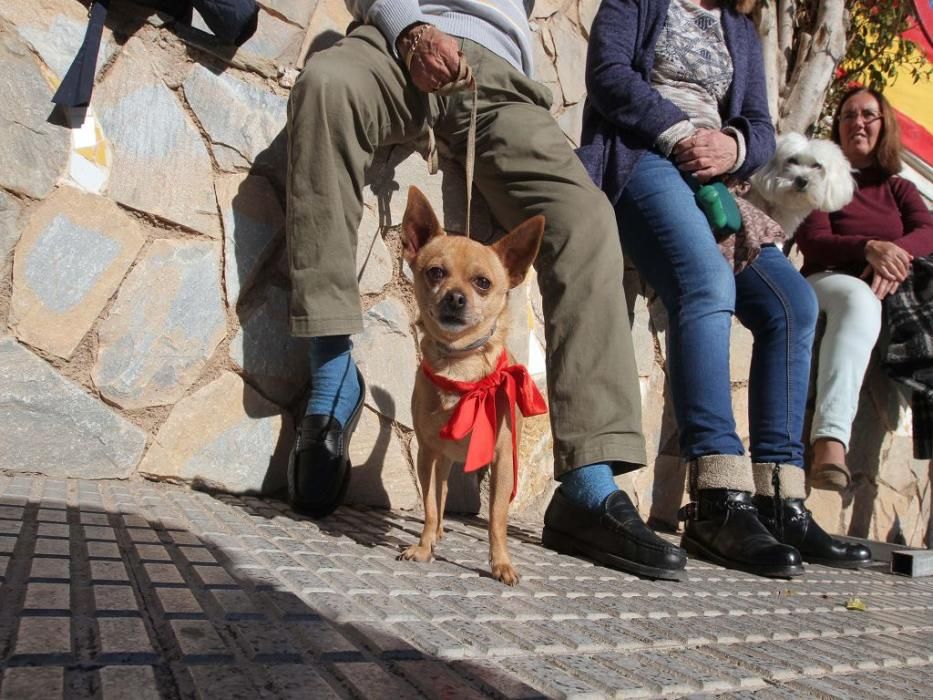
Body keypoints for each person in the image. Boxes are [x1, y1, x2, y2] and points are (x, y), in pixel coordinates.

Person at [286, 1, 687, 579]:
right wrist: (410, 29)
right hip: (397, 43)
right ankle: (332, 373)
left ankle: (587, 482)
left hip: (499, 80)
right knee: (325, 86)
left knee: (587, 217)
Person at [578, 0, 871, 574]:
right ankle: (717, 499)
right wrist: (684, 134)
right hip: (644, 159)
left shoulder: (739, 27)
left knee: (794, 304)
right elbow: (608, 75)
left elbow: (760, 128)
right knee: (707, 282)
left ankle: (781, 500)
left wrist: (733, 147)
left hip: (718, 182)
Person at [795, 87, 933, 488]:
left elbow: (928, 230)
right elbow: (813, 241)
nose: (858, 122)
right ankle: (830, 443)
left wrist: (894, 256)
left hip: (889, 289)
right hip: (828, 279)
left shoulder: (898, 188)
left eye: (868, 115)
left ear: (884, 124)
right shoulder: (820, 177)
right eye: (848, 115)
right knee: (859, 298)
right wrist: (868, 249)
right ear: (837, 127)